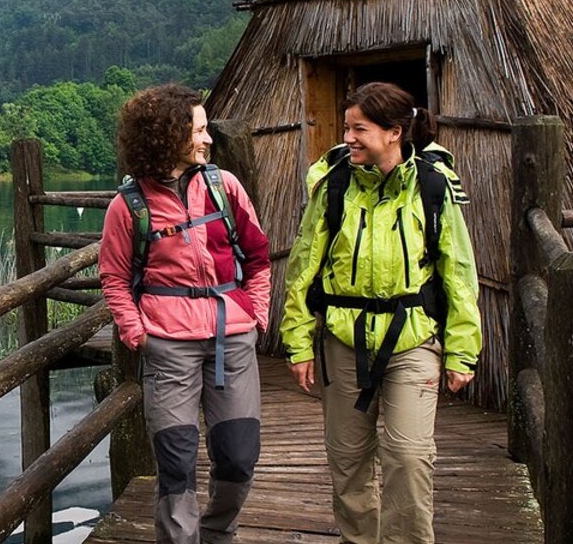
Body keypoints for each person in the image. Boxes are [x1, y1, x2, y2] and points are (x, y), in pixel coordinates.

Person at [278, 81, 482, 544]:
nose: (347, 137)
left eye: (359, 128)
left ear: (394, 132)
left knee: (409, 457)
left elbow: (458, 271)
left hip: (413, 338)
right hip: (342, 341)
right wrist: (296, 342)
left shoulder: (431, 188)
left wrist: (462, 351)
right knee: (348, 461)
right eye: (347, 127)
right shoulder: (333, 188)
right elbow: (303, 268)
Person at [99, 84, 272, 544]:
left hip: (231, 338)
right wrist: (137, 332)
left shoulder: (224, 187)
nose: (208, 138)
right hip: (167, 345)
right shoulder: (128, 207)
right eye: (198, 129)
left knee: (238, 457)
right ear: (168, 135)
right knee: (175, 463)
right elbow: (115, 278)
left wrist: (257, 314)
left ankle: (217, 533)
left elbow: (257, 255)